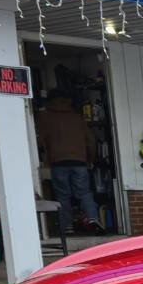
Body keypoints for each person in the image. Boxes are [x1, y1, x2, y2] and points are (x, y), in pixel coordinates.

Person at [34, 95, 99, 234]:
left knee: (63, 195)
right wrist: (90, 159)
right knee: (84, 193)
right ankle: (93, 219)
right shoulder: (77, 117)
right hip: (79, 161)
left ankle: (67, 226)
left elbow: (39, 140)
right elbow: (90, 140)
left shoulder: (46, 117)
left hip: (58, 162)